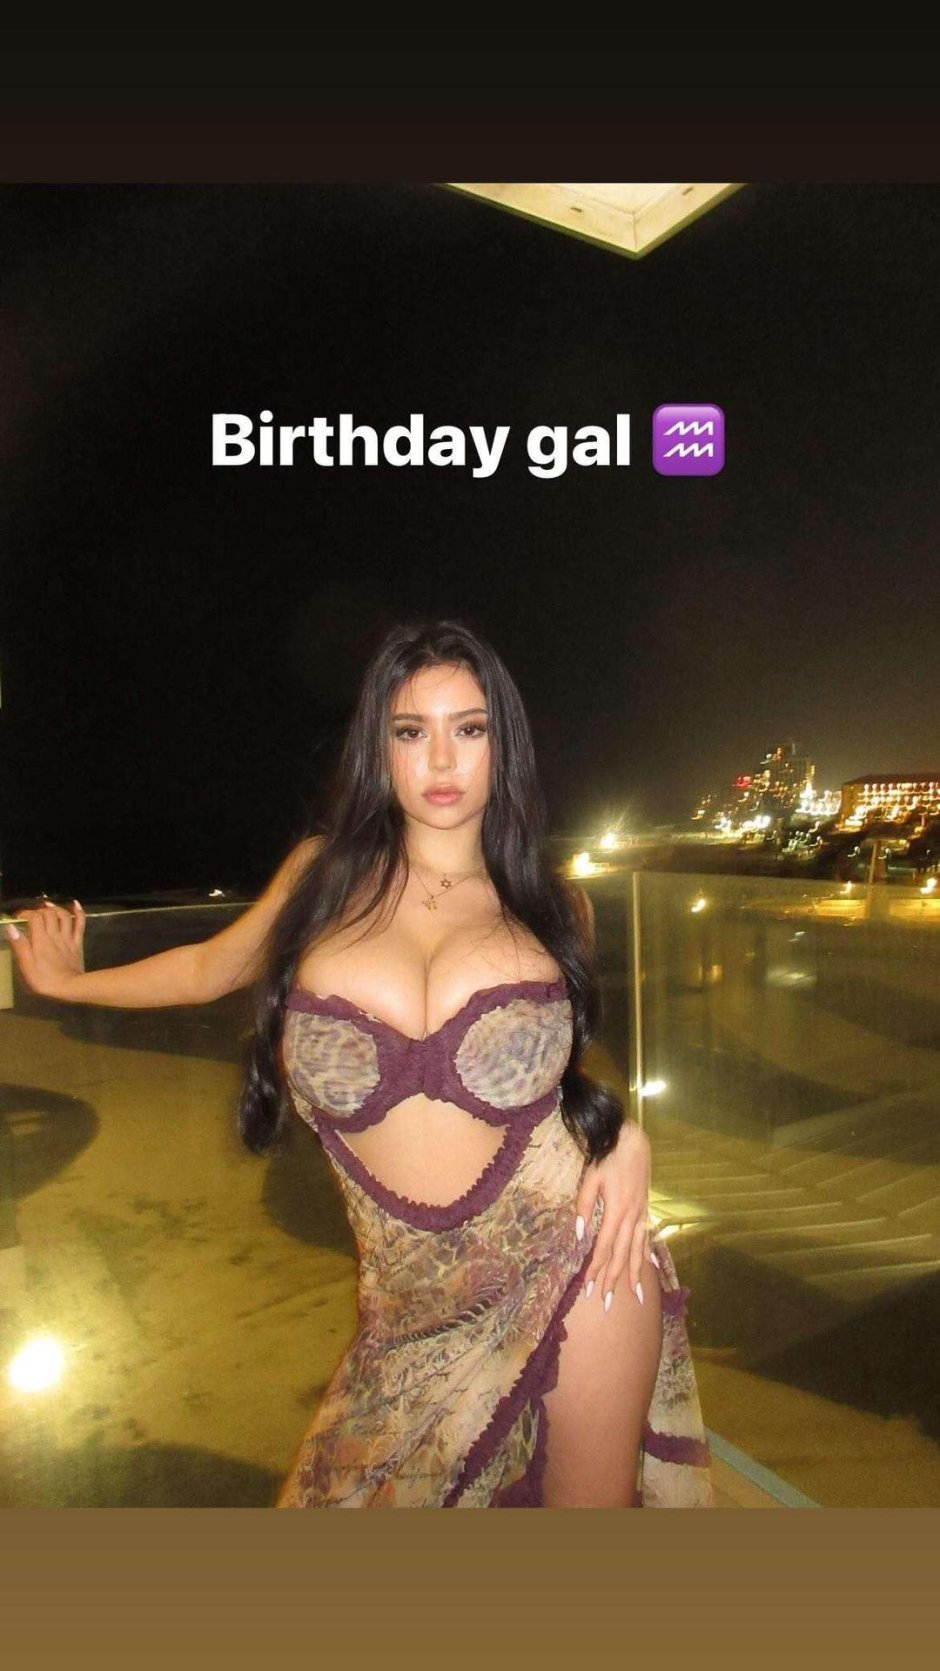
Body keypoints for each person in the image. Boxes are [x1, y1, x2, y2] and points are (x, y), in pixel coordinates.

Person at [6, 616, 713, 1509]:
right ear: (380, 748)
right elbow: (207, 968)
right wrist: (69, 983)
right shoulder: (325, 877)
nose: (442, 760)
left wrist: (623, 1138)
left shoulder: (550, 902)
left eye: (469, 728)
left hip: (577, 1269)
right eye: (412, 731)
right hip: (399, 1318)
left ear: (503, 743)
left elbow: (563, 1073)